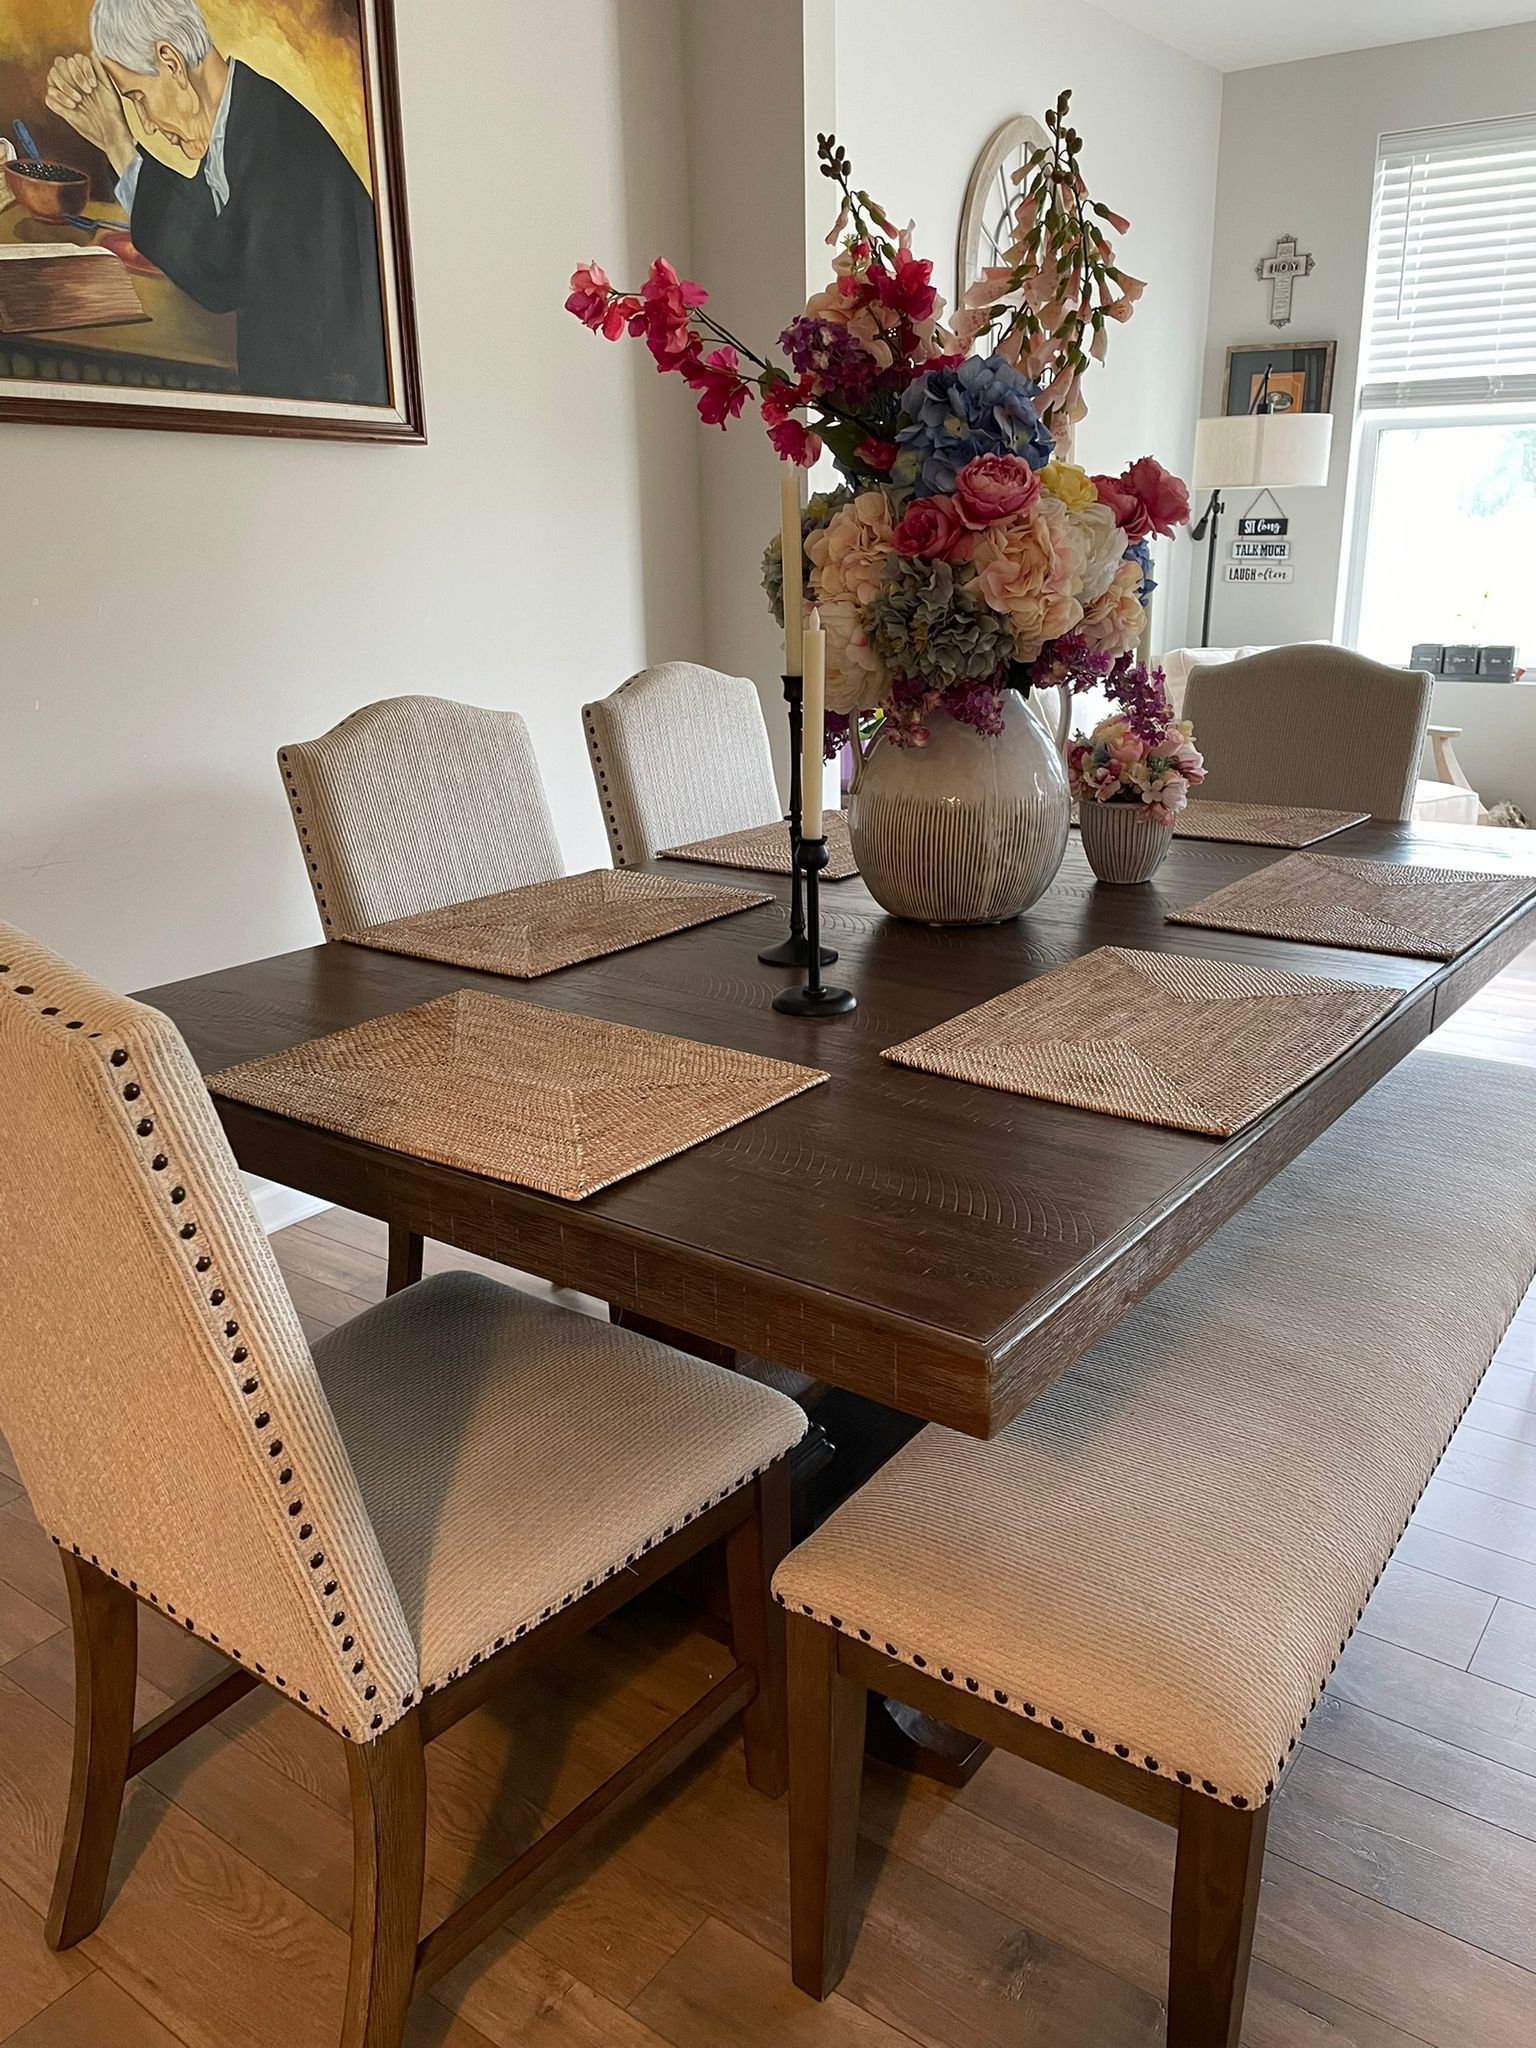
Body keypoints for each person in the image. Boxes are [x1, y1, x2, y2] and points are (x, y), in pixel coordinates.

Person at [46, 0, 388, 405]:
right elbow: (219, 227)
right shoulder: (248, 116)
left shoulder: (277, 142)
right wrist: (122, 150)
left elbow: (218, 275)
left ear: (170, 63)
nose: (149, 123)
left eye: (137, 96)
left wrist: (119, 144)